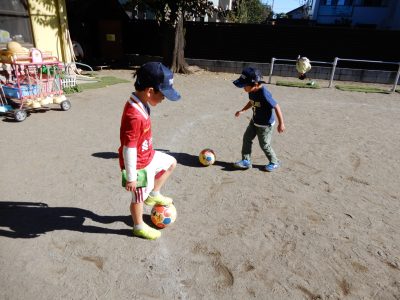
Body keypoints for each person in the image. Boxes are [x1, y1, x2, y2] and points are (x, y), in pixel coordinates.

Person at [118, 62, 181, 240]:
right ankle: (138, 225)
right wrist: (131, 176)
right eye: (163, 95)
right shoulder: (134, 115)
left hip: (148, 155)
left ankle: (153, 194)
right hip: (138, 165)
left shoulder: (141, 102)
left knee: (171, 163)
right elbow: (128, 147)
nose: (163, 99)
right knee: (138, 197)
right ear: (150, 91)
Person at [232, 67, 285, 172]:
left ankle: (275, 162)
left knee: (264, 145)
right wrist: (243, 110)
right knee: (247, 138)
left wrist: (281, 123)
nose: (243, 88)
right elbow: (252, 101)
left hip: (265, 125)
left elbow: (276, 106)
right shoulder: (251, 91)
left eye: (244, 85)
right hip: (255, 121)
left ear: (255, 84)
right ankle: (246, 161)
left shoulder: (264, 94)